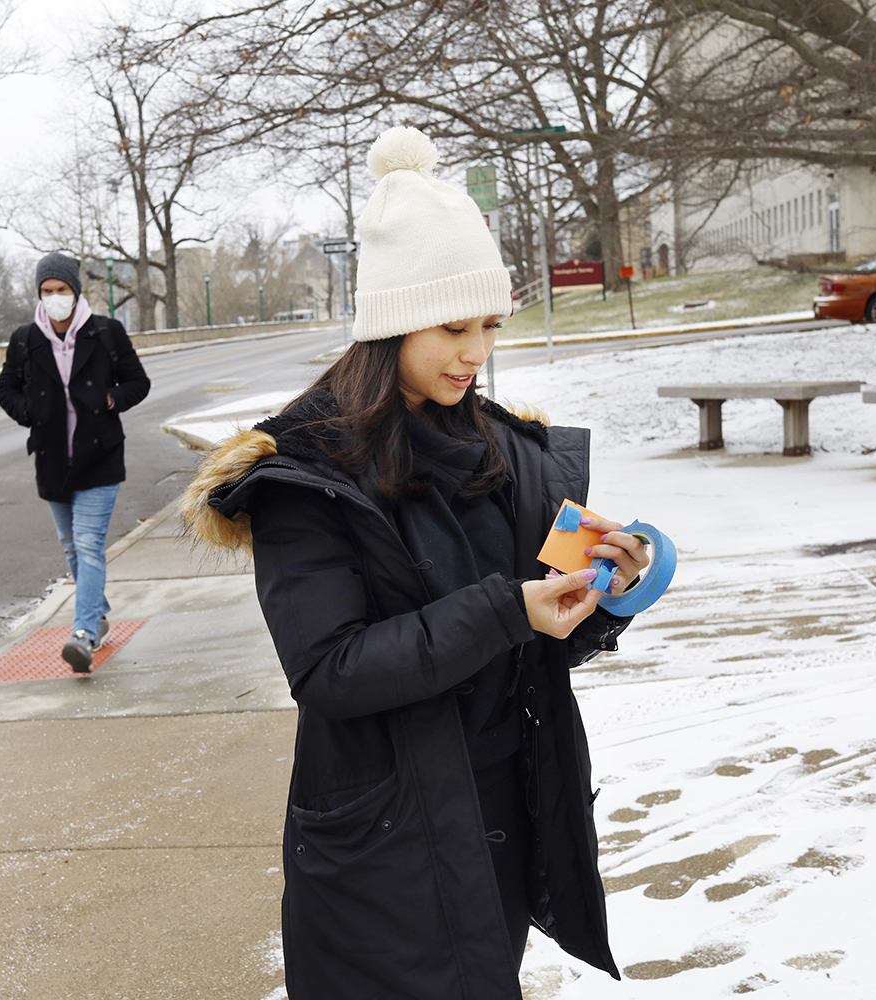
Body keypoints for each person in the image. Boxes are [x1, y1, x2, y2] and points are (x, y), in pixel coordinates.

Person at [180, 127, 649, 998]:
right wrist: (508, 609)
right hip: (382, 851)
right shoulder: (306, 475)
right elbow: (331, 669)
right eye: (454, 327)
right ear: (393, 320)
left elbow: (539, 638)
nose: (477, 353)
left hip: (501, 821)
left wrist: (608, 588)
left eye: (490, 327)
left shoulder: (505, 453)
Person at [0, 252, 151, 672]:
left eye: (61, 290)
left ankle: (82, 633)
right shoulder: (25, 339)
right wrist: (29, 411)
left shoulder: (105, 333)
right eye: (46, 291)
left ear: (75, 291)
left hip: (99, 458)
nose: (54, 297)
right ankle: (97, 616)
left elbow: (138, 382)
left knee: (87, 544)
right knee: (72, 547)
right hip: (51, 461)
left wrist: (108, 399)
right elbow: (5, 388)